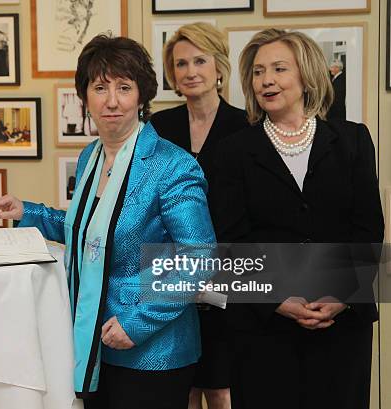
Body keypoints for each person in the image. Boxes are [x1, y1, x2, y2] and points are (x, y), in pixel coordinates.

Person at [0, 34, 216, 409]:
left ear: (142, 96)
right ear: (85, 96)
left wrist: (136, 323)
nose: (111, 101)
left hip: (152, 349)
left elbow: (199, 259)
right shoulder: (92, 155)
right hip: (94, 339)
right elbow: (91, 234)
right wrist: (28, 211)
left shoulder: (172, 165)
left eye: (124, 87)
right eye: (100, 87)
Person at [210, 28, 383, 409]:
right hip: (262, 328)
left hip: (341, 325)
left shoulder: (353, 140)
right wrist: (275, 298)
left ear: (305, 76)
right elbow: (231, 240)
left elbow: (367, 228)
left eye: (278, 68)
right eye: (257, 72)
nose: (266, 80)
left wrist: (340, 294)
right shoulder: (233, 151)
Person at [150, 23, 248, 409]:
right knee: (182, 387)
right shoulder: (159, 127)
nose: (190, 71)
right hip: (172, 272)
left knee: (223, 389)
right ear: (172, 75)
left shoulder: (246, 126)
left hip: (229, 273)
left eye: (199, 61)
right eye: (180, 64)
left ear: (218, 67)